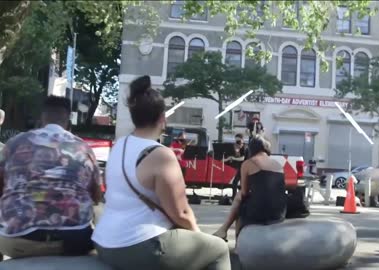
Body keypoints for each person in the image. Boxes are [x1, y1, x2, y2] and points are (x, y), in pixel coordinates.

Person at [92, 75, 230, 270]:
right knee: (218, 249)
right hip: (139, 246)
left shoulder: (119, 146)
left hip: (105, 241)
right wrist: (198, 238)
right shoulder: (161, 155)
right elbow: (181, 213)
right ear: (162, 119)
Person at [0, 96, 102, 259]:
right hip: (74, 240)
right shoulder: (83, 148)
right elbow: (96, 195)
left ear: (42, 118)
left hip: (18, 240)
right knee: (97, 211)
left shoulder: (14, 144)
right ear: (68, 120)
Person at [213, 135, 287, 241]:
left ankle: (232, 238)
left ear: (252, 148)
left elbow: (244, 192)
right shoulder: (278, 164)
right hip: (280, 212)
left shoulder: (249, 163)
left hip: (260, 212)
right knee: (243, 199)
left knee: (240, 200)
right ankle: (223, 230)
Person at [224, 134, 246, 200]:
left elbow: (242, 158)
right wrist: (226, 159)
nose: (237, 142)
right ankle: (235, 197)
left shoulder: (244, 147)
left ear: (242, 140)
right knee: (236, 182)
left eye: (238, 140)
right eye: (236, 140)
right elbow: (233, 156)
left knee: (239, 182)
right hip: (240, 167)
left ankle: (239, 197)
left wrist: (233, 158)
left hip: (244, 167)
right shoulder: (237, 147)